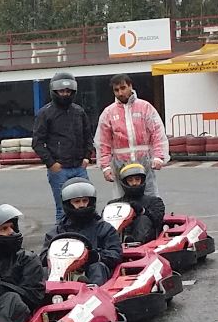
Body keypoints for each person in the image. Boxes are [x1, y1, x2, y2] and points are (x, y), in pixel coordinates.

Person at [32, 71, 94, 224]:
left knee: (87, 207)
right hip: (59, 170)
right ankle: (61, 238)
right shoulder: (45, 113)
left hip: (79, 167)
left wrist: (87, 157)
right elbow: (37, 142)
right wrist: (52, 164)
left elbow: (88, 136)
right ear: (54, 91)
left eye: (68, 91)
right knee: (63, 209)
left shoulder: (79, 112)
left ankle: (87, 238)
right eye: (62, 91)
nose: (65, 94)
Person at [95, 74, 169, 191]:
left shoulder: (145, 107)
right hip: (121, 164)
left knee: (150, 197)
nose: (120, 93)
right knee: (124, 200)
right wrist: (105, 167)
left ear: (130, 86)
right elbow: (103, 143)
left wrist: (158, 157)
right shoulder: (108, 113)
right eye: (116, 90)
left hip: (144, 162)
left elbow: (157, 133)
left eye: (123, 88)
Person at [45, 179, 124, 288]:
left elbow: (116, 254)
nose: (82, 205)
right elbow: (42, 258)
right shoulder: (57, 231)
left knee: (97, 267)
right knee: (44, 271)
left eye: (85, 201)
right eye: (77, 202)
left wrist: (96, 256)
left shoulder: (104, 228)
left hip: (91, 271)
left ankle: (93, 295)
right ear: (68, 204)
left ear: (91, 202)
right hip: (62, 273)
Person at [110, 161, 167, 245]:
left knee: (143, 219)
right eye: (130, 180)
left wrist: (142, 211)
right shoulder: (115, 204)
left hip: (146, 244)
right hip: (118, 241)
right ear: (125, 183)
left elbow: (158, 221)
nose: (134, 183)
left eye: (137, 179)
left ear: (142, 180)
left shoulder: (154, 201)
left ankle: (135, 243)